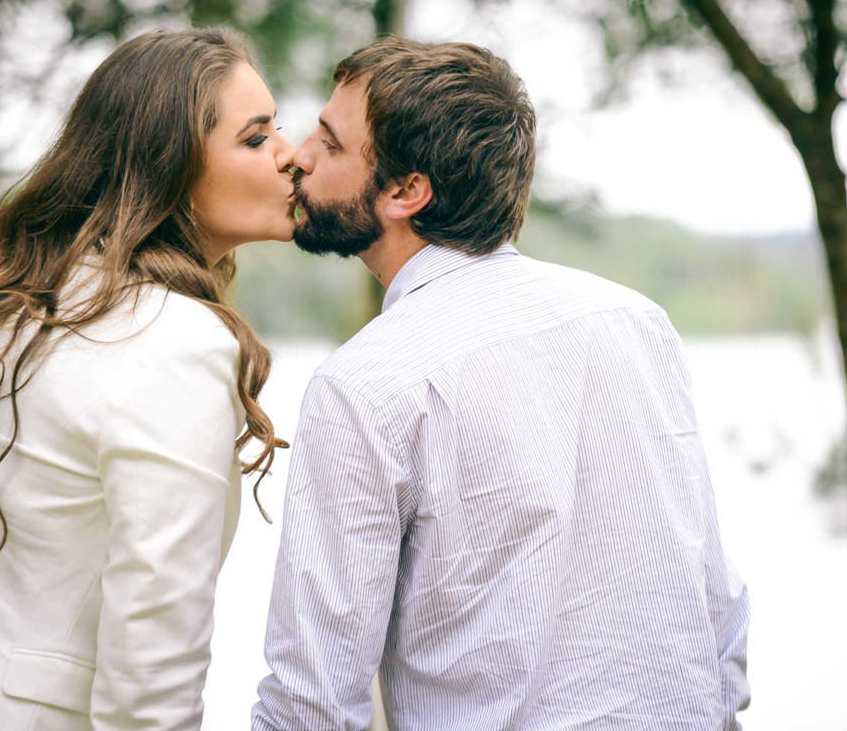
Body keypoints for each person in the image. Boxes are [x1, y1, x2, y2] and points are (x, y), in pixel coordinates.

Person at [251, 38, 750, 730]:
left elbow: (312, 700)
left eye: (330, 144)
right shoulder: (636, 322)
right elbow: (717, 606)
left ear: (406, 191)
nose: (298, 155)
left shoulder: (365, 383)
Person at [0, 28, 295, 731]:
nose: (292, 154)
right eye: (255, 138)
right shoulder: (179, 344)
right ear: (165, 167)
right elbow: (154, 647)